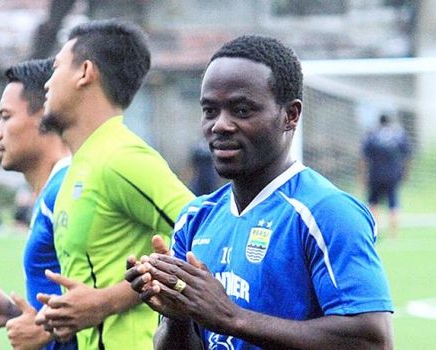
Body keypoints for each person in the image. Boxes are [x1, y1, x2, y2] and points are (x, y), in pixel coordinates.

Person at [126, 35, 394, 349]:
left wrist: (230, 317)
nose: (220, 125)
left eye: (241, 110)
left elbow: (373, 340)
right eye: (210, 111)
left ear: (291, 115)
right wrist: (179, 316)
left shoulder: (326, 213)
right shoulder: (195, 218)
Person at [34, 19, 194, 350]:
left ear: (85, 72)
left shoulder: (121, 157)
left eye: (56, 68)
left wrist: (107, 301)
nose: (47, 84)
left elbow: (206, 234)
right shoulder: (80, 166)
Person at [0, 58, 77, 350]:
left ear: (45, 117)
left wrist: (49, 331)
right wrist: (16, 313)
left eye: (6, 117)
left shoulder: (71, 191)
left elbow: (114, 296)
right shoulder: (52, 192)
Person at [362, 113, 412, 238]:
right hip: (393, 175)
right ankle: (393, 235)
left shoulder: (372, 135)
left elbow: (364, 158)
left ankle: (375, 232)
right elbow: (408, 155)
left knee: (373, 204)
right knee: (393, 205)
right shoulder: (398, 135)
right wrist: (406, 172)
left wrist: (362, 176)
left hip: (375, 175)